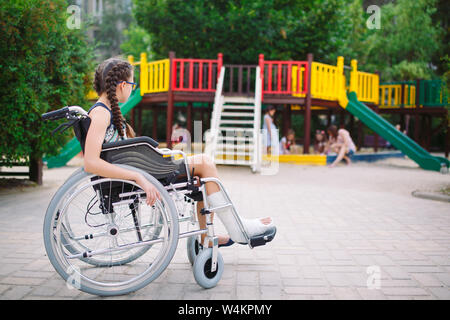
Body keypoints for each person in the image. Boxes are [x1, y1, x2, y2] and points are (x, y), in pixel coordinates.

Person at [84, 57, 274, 247]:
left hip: (142, 168)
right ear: (123, 85)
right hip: (137, 174)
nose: (132, 88)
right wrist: (138, 177)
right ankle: (237, 228)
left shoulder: (104, 111)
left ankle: (210, 235)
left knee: (202, 178)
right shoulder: (101, 114)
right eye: (133, 85)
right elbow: (91, 163)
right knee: (206, 162)